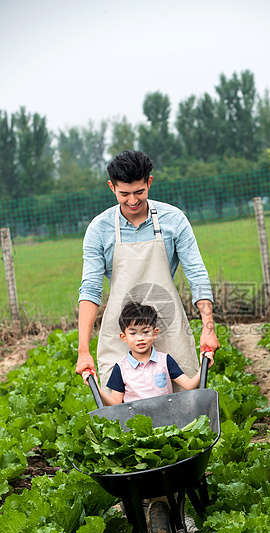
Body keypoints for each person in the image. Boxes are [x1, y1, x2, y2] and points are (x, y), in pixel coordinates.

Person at [75, 150, 219, 390]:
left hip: (167, 324)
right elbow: (90, 290)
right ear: (112, 187)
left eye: (139, 192)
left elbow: (197, 276)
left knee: (186, 404)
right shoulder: (98, 229)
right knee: (123, 412)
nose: (132, 201)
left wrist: (208, 328)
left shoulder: (174, 220)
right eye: (124, 194)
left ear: (149, 183)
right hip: (122, 331)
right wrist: (83, 350)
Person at [82, 301, 214, 406]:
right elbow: (115, 403)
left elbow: (190, 385)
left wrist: (203, 367)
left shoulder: (165, 361)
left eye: (145, 332)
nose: (140, 338)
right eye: (133, 333)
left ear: (155, 333)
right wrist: (95, 387)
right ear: (124, 337)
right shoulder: (120, 368)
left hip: (168, 419)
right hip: (135, 424)